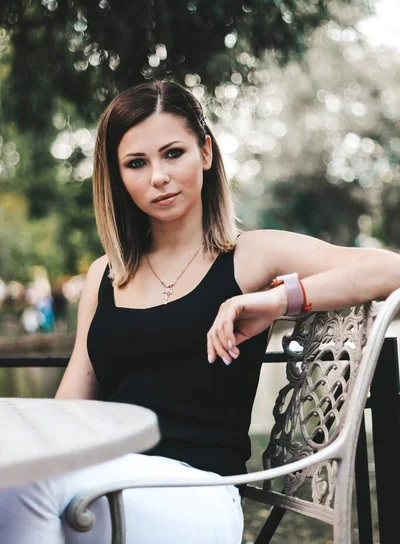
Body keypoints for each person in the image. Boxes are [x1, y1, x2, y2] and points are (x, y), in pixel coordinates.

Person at [1, 79, 399, 544]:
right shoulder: (104, 275)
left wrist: (276, 300)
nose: (158, 177)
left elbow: (389, 267)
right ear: (117, 177)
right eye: (136, 163)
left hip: (200, 493)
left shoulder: (249, 255)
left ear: (205, 153)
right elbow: (69, 411)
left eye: (173, 153)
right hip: (103, 486)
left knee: (26, 490)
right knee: (17, 483)